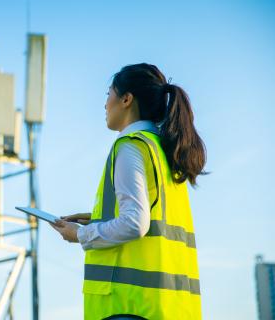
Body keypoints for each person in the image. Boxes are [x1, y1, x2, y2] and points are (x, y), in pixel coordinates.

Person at [51, 63, 206, 320]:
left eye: (108, 94)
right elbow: (153, 216)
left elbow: (135, 223)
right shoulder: (163, 151)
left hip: (131, 307)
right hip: (170, 307)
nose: (104, 104)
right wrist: (97, 218)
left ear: (126, 99)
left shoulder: (130, 147)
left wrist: (82, 235)